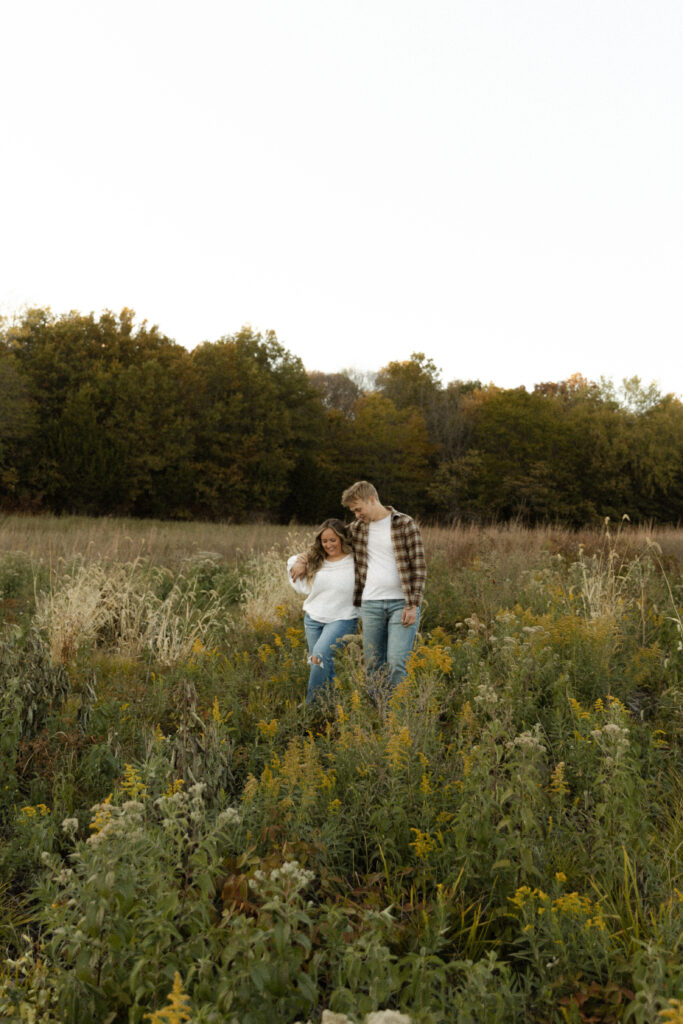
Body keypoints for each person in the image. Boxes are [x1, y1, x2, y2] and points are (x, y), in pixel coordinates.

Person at [292, 482, 426, 690]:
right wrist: (303, 560)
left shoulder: (404, 523)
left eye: (358, 509)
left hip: (401, 603)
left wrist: (413, 604)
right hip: (370, 604)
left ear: (371, 499)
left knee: (397, 662)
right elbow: (327, 542)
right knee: (373, 664)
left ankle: (397, 715)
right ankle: (378, 710)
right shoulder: (357, 528)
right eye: (353, 511)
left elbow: (418, 566)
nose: (356, 515)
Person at [287, 519, 358, 704]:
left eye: (333, 540)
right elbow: (293, 562)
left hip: (343, 618)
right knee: (320, 664)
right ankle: (331, 705)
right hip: (313, 618)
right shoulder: (316, 559)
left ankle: (310, 706)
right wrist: (301, 562)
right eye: (324, 541)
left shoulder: (356, 560)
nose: (328, 545)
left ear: (342, 538)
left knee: (319, 656)